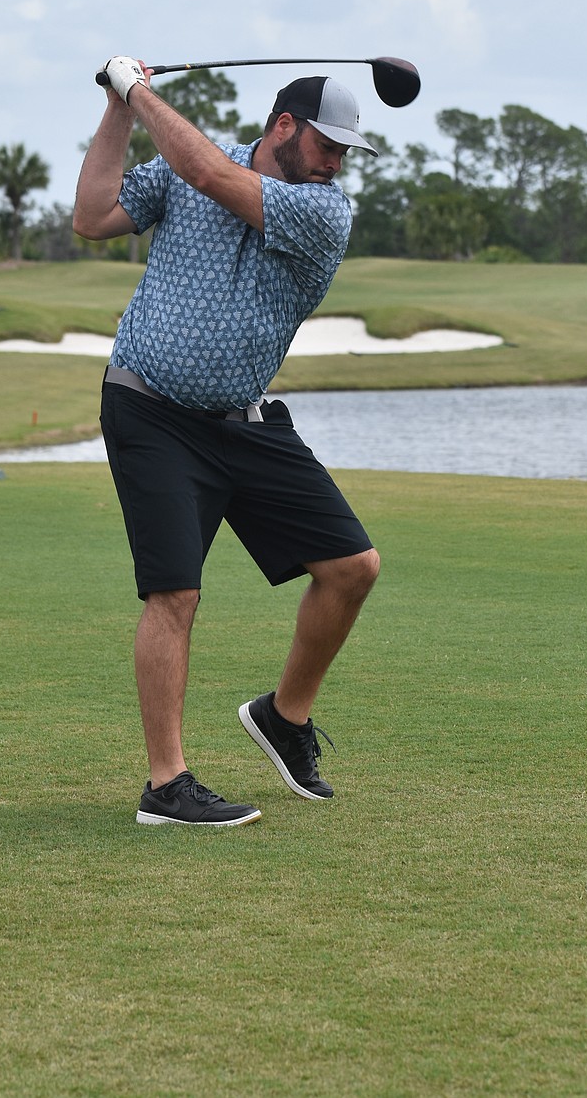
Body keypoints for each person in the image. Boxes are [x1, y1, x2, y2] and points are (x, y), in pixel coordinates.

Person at [73, 56, 381, 827]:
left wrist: (138, 87)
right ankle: (167, 786)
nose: (336, 162)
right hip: (149, 407)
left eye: (345, 151)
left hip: (245, 421)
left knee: (351, 567)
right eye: (327, 144)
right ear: (284, 126)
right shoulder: (178, 172)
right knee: (174, 591)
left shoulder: (323, 211)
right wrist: (118, 103)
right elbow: (92, 214)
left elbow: (210, 173)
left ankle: (284, 716)